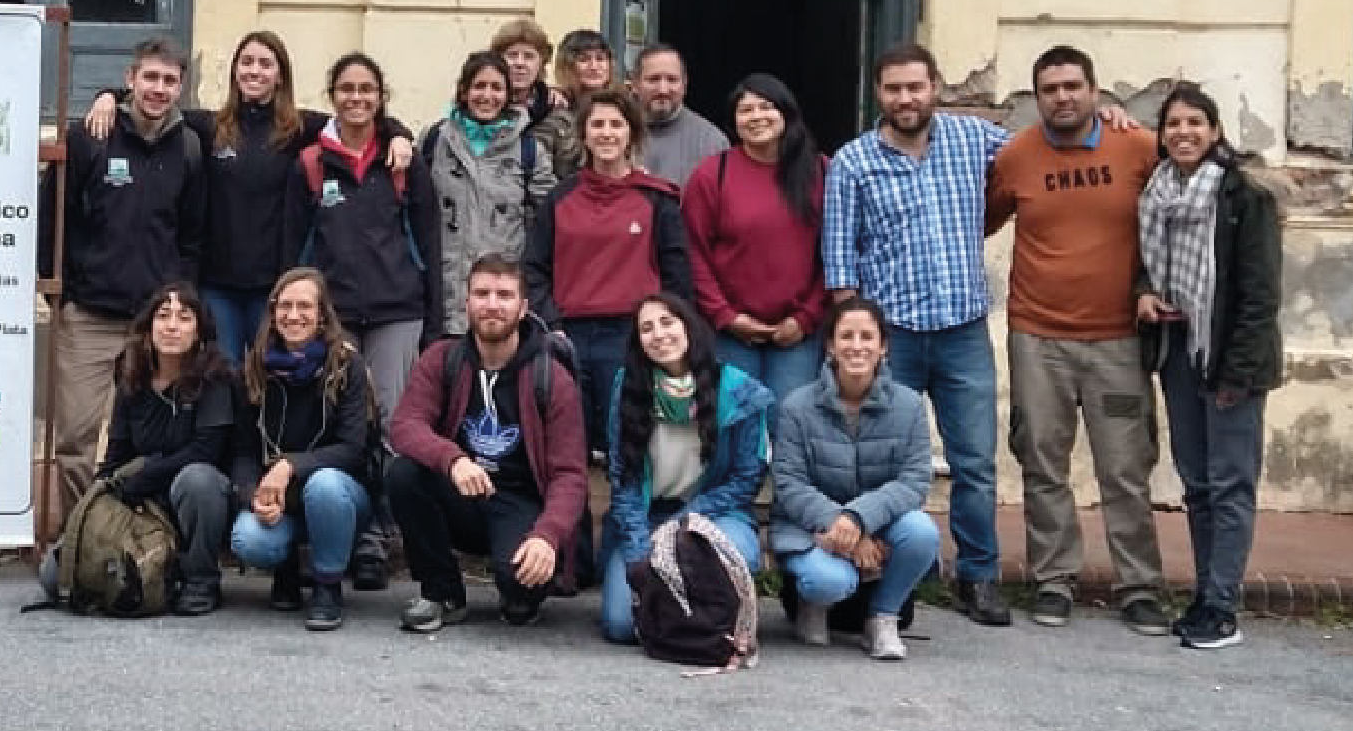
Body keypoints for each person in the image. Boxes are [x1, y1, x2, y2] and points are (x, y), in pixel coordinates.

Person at [820, 41, 1014, 627]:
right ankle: (898, 567)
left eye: (915, 86)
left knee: (975, 461)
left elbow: (1043, 154)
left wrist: (1109, 118)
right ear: (876, 94)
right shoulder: (853, 161)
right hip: (893, 338)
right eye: (893, 89)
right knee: (881, 462)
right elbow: (840, 266)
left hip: (961, 332)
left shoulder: (974, 140)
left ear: (935, 87)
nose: (905, 98)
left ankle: (978, 575)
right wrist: (861, 345)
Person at [80, 30, 409, 362]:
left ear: (280, 75)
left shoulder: (299, 129)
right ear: (235, 70)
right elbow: (153, 102)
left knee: (270, 379)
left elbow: (358, 117)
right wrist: (109, 96)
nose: (255, 71)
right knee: (224, 379)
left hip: (274, 288)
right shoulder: (207, 128)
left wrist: (399, 134)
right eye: (247, 62)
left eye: (266, 64)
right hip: (217, 287)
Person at [984, 46, 1167, 634]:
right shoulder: (1017, 156)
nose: (1062, 97)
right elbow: (982, 218)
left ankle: (1138, 587)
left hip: (1118, 340)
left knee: (1125, 467)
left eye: (1071, 86)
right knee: (1042, 462)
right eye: (1049, 89)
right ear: (1037, 98)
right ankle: (1054, 580)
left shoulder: (1138, 146)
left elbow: (1185, 196)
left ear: (1096, 92)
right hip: (1038, 337)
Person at [1137, 83, 1283, 651]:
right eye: (1173, 123)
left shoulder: (1244, 195)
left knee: (1230, 485)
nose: (1183, 132)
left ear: (1215, 131)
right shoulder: (1158, 194)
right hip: (1179, 353)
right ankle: (1205, 594)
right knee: (1197, 484)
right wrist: (1145, 291)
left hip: (1228, 364)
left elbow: (1259, 297)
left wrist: (1237, 376)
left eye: (1195, 122)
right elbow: (1147, 264)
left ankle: (1223, 607)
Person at [40, 36, 206, 523]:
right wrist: (63, 293)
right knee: (75, 438)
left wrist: (179, 306)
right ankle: (79, 537)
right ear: (130, 79)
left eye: (169, 80)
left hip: (155, 324)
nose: (158, 88)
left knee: (153, 439)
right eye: (149, 77)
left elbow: (192, 237)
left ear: (181, 88)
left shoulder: (190, 147)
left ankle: (138, 537)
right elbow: (55, 218)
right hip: (89, 314)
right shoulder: (91, 134)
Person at [385, 256, 589, 632]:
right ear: (466, 304)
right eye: (481, 294)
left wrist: (548, 536)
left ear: (523, 307)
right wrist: (452, 460)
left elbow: (570, 475)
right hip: (462, 491)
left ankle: (518, 592)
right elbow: (405, 425)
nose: (492, 304)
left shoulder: (552, 377)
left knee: (520, 590)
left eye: (504, 295)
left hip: (521, 502)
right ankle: (442, 593)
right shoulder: (442, 359)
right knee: (403, 473)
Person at [523, 89, 694, 464]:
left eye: (616, 124)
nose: (606, 133)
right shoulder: (560, 199)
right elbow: (533, 268)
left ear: (631, 134)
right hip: (568, 336)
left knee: (630, 443)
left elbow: (677, 277)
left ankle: (628, 522)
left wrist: (663, 331)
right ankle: (574, 523)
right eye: (597, 124)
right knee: (568, 448)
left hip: (632, 336)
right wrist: (551, 324)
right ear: (583, 134)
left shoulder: (658, 200)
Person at [771, 298, 940, 662]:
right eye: (846, 336)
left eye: (868, 336)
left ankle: (882, 618)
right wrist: (838, 523)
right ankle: (810, 604)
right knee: (828, 582)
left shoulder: (909, 405)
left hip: (878, 526)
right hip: (812, 528)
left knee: (923, 531)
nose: (857, 345)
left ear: (884, 347)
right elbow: (788, 483)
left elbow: (913, 481)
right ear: (830, 346)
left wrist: (859, 520)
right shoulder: (796, 406)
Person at [599, 292, 772, 645]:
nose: (659, 334)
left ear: (689, 326)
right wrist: (637, 550)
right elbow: (623, 476)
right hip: (647, 516)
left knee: (729, 555)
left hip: (714, 514)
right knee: (619, 625)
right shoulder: (628, 386)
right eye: (646, 328)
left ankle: (707, 619)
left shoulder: (740, 391)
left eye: (667, 322)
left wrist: (686, 520)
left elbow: (745, 479)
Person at [282, 51, 443, 422]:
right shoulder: (310, 164)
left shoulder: (404, 161)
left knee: (392, 419)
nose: (357, 98)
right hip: (332, 315)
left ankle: (389, 482)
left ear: (381, 96)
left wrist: (434, 321)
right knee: (339, 418)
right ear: (332, 96)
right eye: (347, 89)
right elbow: (292, 250)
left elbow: (428, 244)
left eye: (367, 89)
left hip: (397, 313)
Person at [228, 268, 376, 631]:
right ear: (273, 312)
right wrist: (252, 495)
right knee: (248, 539)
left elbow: (354, 449)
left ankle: (327, 585)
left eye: (305, 307)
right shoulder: (254, 369)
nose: (294, 316)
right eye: (285, 306)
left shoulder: (347, 365)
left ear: (323, 314)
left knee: (324, 485)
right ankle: (286, 569)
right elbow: (243, 452)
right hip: (280, 498)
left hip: (340, 494)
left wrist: (289, 466)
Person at [684, 73, 829, 405]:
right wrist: (726, 316)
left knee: (791, 425)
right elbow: (694, 252)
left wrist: (806, 317)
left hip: (798, 336)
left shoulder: (820, 172)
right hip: (731, 334)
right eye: (745, 110)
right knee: (735, 425)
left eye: (766, 107)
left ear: (786, 113)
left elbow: (834, 253)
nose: (756, 117)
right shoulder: (712, 175)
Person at [94, 281, 236, 616]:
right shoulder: (131, 375)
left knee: (198, 480)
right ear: (148, 327)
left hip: (199, 501)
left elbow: (205, 452)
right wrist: (99, 498)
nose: (171, 326)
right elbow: (117, 453)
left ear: (199, 330)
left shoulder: (216, 377)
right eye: (163, 315)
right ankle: (156, 573)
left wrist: (144, 476)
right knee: (55, 575)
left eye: (184, 317)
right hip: (143, 499)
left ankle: (201, 578)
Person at [420, 51, 556, 338]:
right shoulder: (434, 142)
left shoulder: (528, 150)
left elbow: (550, 222)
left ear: (508, 94)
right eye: (479, 86)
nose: (487, 95)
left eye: (496, 88)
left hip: (504, 303)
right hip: (445, 301)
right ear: (464, 91)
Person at [631, 44, 729, 186]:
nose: (663, 90)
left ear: (684, 85)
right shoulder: (612, 134)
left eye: (672, 79)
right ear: (635, 84)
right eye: (653, 79)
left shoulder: (711, 142)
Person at [531, 29, 620, 179]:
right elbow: (538, 164)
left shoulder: (623, 108)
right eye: (584, 59)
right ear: (568, 65)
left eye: (600, 58)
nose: (594, 66)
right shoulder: (553, 109)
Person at [488, 18, 558, 127]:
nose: (520, 63)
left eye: (529, 56)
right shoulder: (479, 105)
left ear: (541, 63)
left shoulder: (556, 110)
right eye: (512, 55)